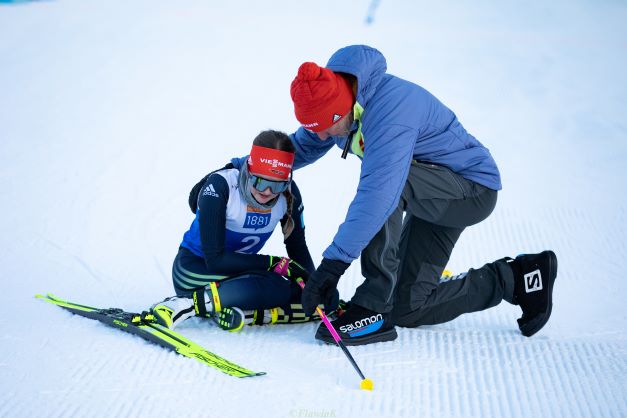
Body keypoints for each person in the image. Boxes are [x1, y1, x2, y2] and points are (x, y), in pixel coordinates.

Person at [288, 45, 558, 346]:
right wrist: (250, 166)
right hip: (430, 194)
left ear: (344, 107)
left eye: (327, 128)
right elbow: (301, 147)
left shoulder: (391, 110)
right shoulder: (340, 102)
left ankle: (372, 307)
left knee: (389, 186)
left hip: (470, 191)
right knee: (408, 307)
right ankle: (515, 277)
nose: (323, 136)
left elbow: (378, 197)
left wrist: (332, 266)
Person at [149, 130, 336, 331]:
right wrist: (274, 263)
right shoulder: (221, 185)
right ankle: (183, 305)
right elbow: (215, 259)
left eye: (276, 185)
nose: (267, 192)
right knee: (275, 285)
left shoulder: (289, 195)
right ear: (249, 169)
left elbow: (297, 246)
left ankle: (241, 310)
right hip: (195, 269)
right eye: (260, 181)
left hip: (238, 273)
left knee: (317, 295)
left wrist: (314, 284)